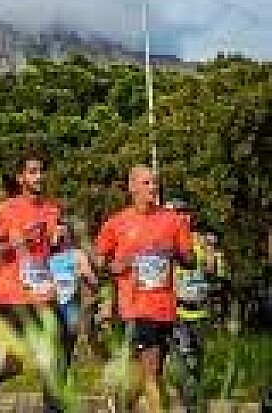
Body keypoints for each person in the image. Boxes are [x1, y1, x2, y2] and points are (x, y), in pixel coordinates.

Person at [95, 166, 194, 413]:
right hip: (134, 308)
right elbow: (99, 260)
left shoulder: (174, 221)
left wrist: (173, 252)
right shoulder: (117, 223)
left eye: (155, 183)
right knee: (151, 369)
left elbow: (189, 259)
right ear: (132, 187)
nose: (153, 187)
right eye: (147, 183)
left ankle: (119, 404)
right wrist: (116, 266)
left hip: (165, 309)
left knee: (151, 372)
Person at [0, 153, 64, 413]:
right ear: (20, 178)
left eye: (41, 171)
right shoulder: (5, 210)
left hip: (42, 293)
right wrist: (22, 239)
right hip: (11, 295)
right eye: (33, 172)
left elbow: (52, 251)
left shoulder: (52, 210)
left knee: (53, 353)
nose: (39, 177)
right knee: (14, 364)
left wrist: (60, 241)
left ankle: (51, 408)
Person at [167, 198, 217, 413]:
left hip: (200, 311)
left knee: (197, 359)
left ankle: (192, 400)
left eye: (186, 213)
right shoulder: (168, 241)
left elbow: (212, 271)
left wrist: (209, 251)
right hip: (177, 312)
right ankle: (188, 402)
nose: (184, 218)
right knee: (183, 358)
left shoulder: (201, 241)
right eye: (178, 214)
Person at [48, 219, 97, 370]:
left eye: (63, 233)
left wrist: (82, 274)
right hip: (52, 302)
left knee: (71, 334)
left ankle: (69, 367)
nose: (60, 237)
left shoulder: (77, 254)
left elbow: (92, 279)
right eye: (57, 234)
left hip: (72, 300)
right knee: (56, 339)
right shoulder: (47, 256)